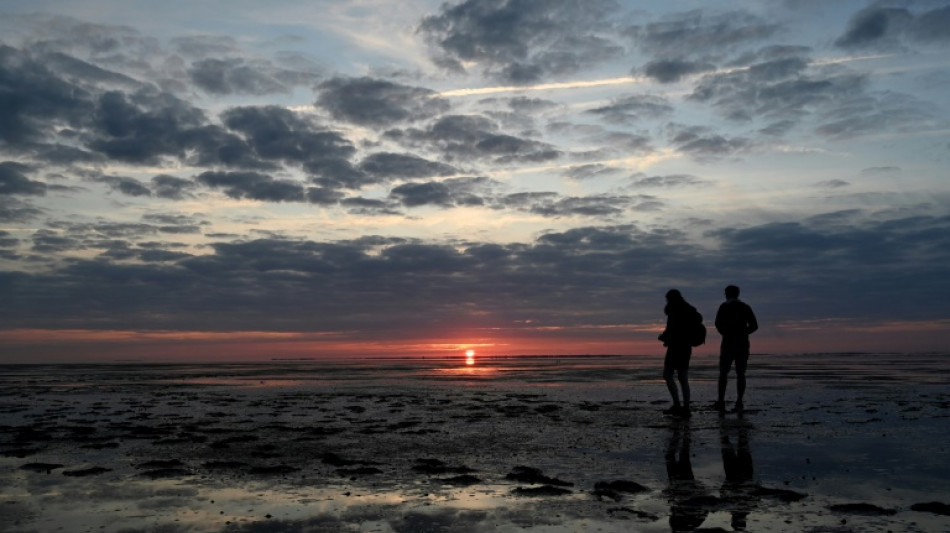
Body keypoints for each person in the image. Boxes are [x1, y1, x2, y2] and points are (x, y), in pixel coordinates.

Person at [714, 285, 758, 413]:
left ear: (727, 294)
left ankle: (721, 401)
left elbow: (717, 324)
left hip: (728, 343)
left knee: (723, 373)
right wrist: (744, 333)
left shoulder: (724, 307)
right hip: (742, 344)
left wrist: (725, 333)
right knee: (740, 373)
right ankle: (739, 401)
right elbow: (754, 326)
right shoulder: (745, 307)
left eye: (725, 293)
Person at [658, 289, 701, 417]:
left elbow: (671, 329)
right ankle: (685, 407)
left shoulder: (674, 310)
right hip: (685, 347)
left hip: (675, 347)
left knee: (668, 374)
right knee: (682, 377)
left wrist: (664, 337)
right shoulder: (689, 309)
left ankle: (678, 405)